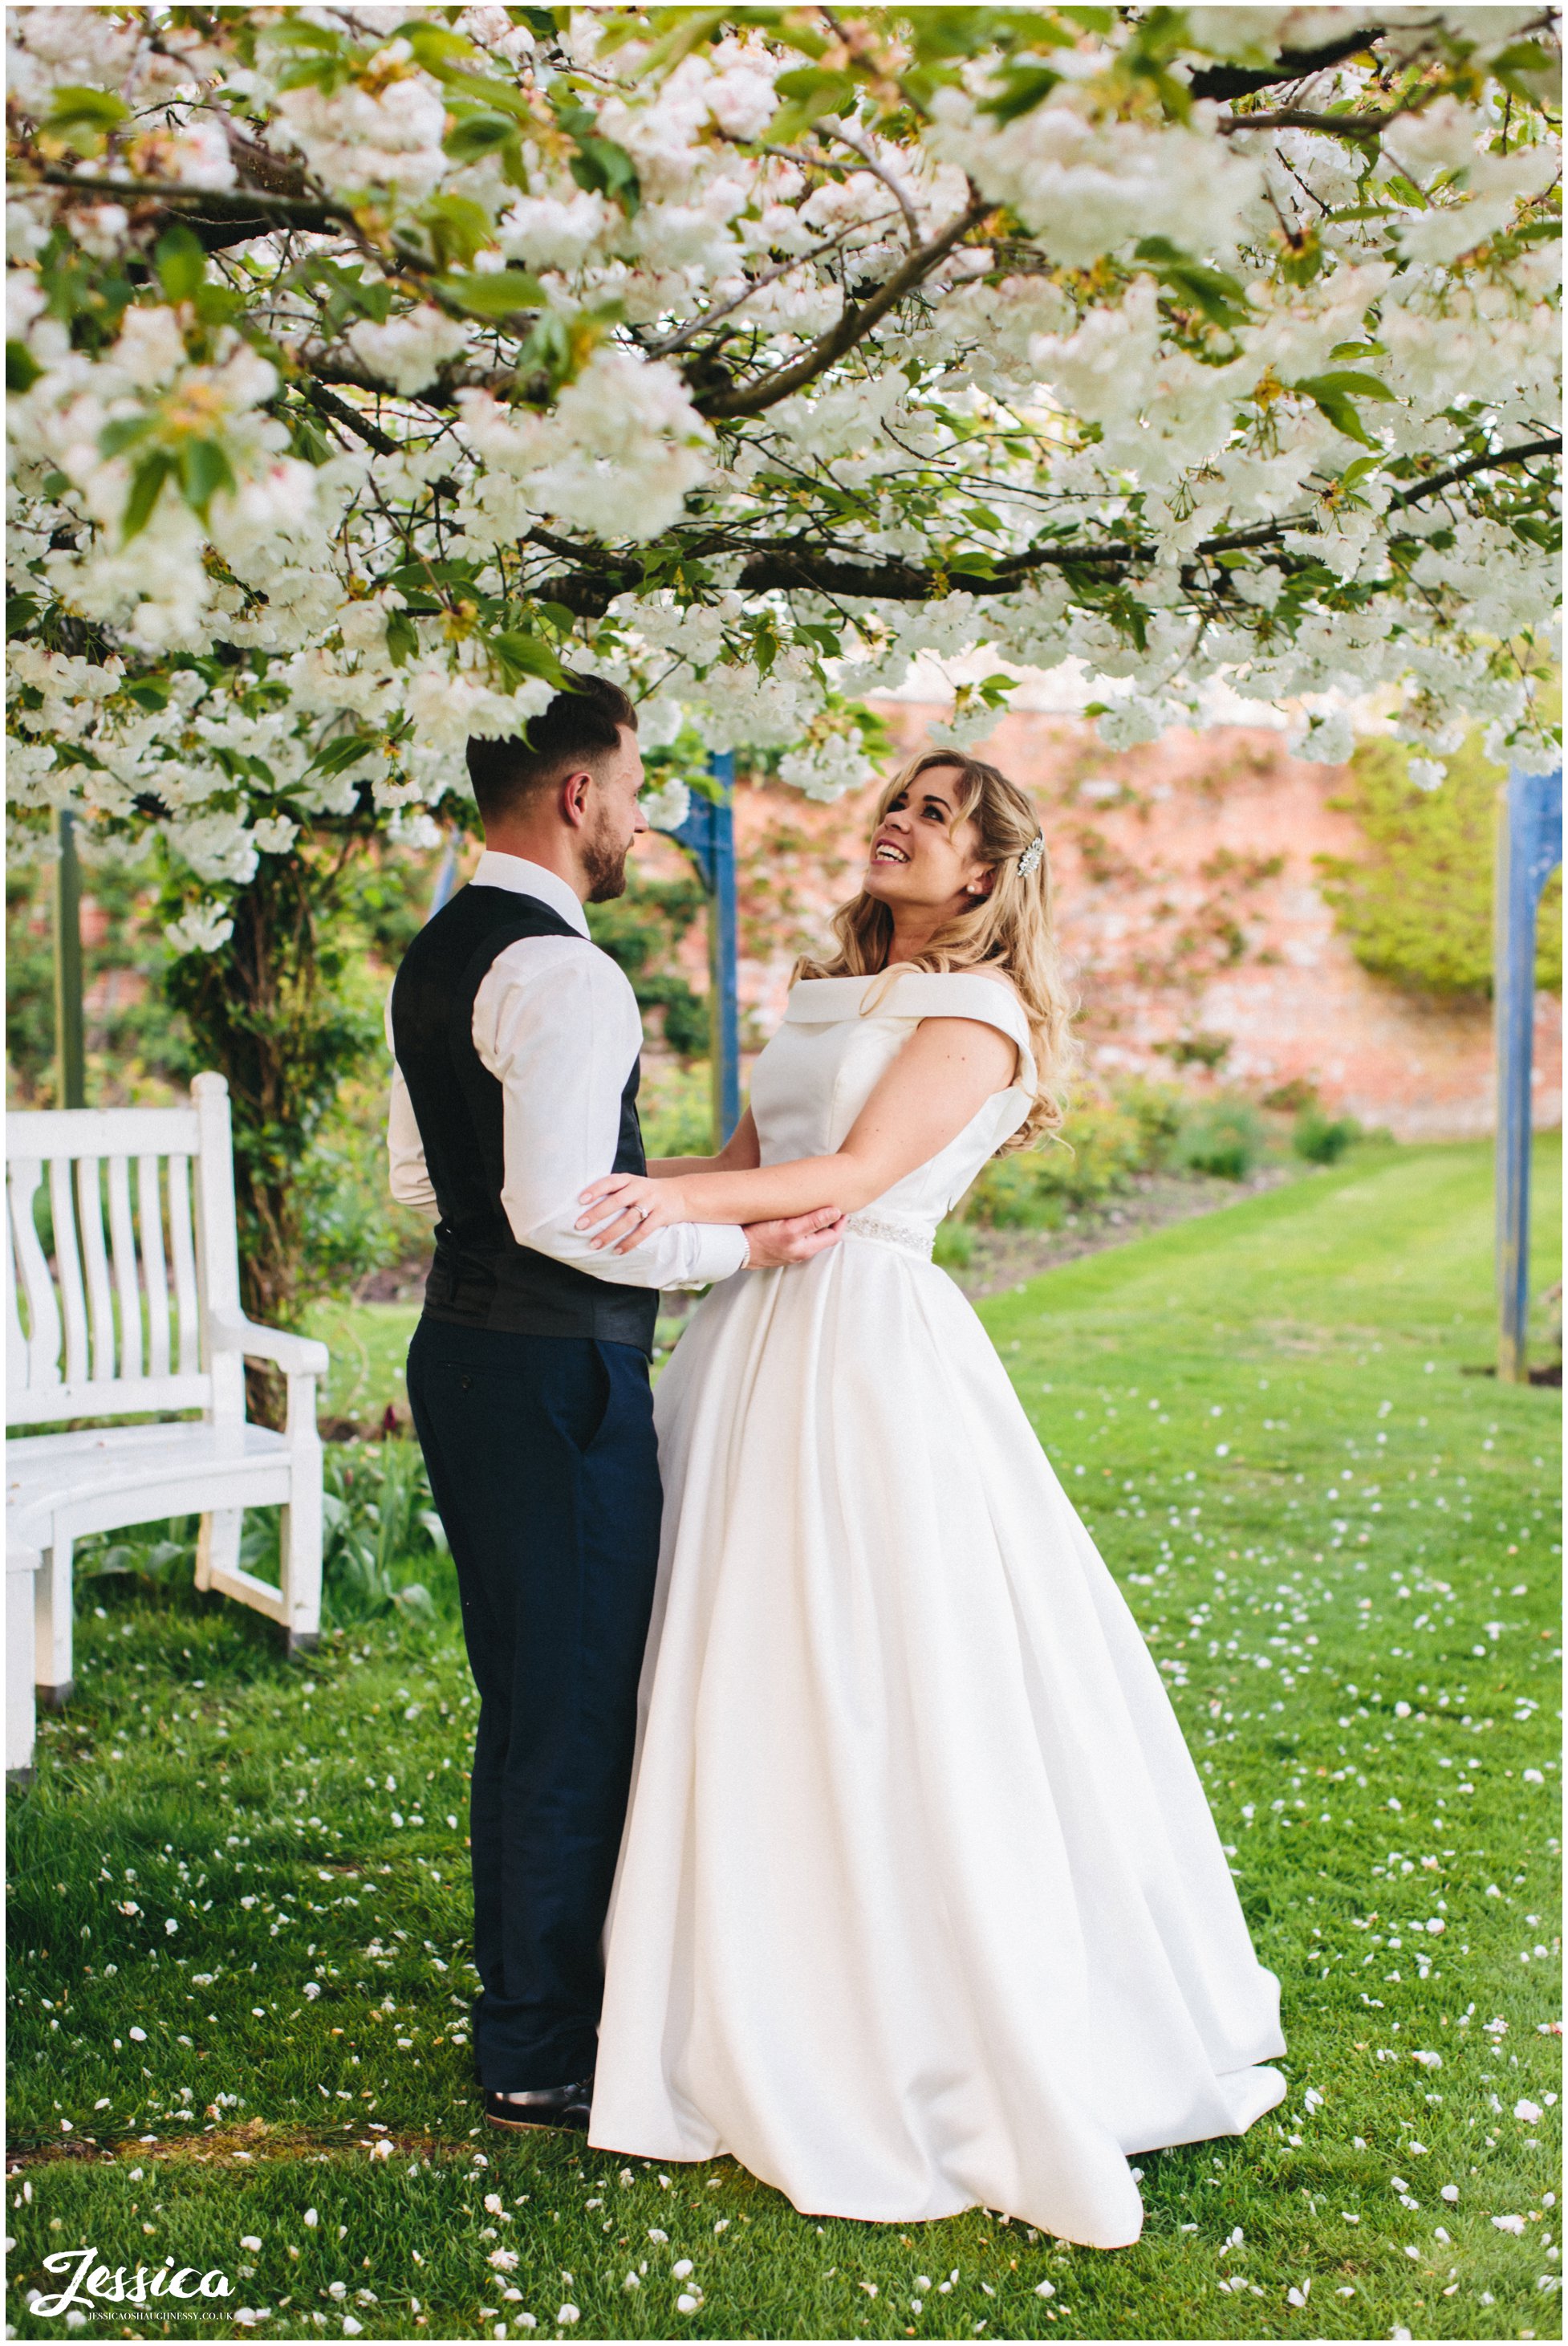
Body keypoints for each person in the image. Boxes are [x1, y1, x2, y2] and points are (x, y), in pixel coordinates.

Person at [579, 748, 1286, 2246]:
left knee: (873, 1661)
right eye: (898, 800)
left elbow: (852, 1172)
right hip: (754, 1333)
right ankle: (732, 1970)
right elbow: (743, 1164)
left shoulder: (977, 1016)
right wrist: (608, 1186)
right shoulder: (825, 988)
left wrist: (685, 1206)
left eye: (939, 815)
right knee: (730, 1655)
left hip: (862, 1349)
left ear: (984, 874)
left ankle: (913, 2013)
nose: (900, 822)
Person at [385, 675, 843, 2136]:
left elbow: (424, 1185)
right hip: (552, 1373)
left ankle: (533, 2009)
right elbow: (559, 1209)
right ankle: (536, 2046)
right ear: (579, 794)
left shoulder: (442, 950)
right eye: (633, 786)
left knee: (530, 1700)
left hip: (461, 1356)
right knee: (571, 1709)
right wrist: (739, 1246)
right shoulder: (568, 973)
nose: (641, 817)